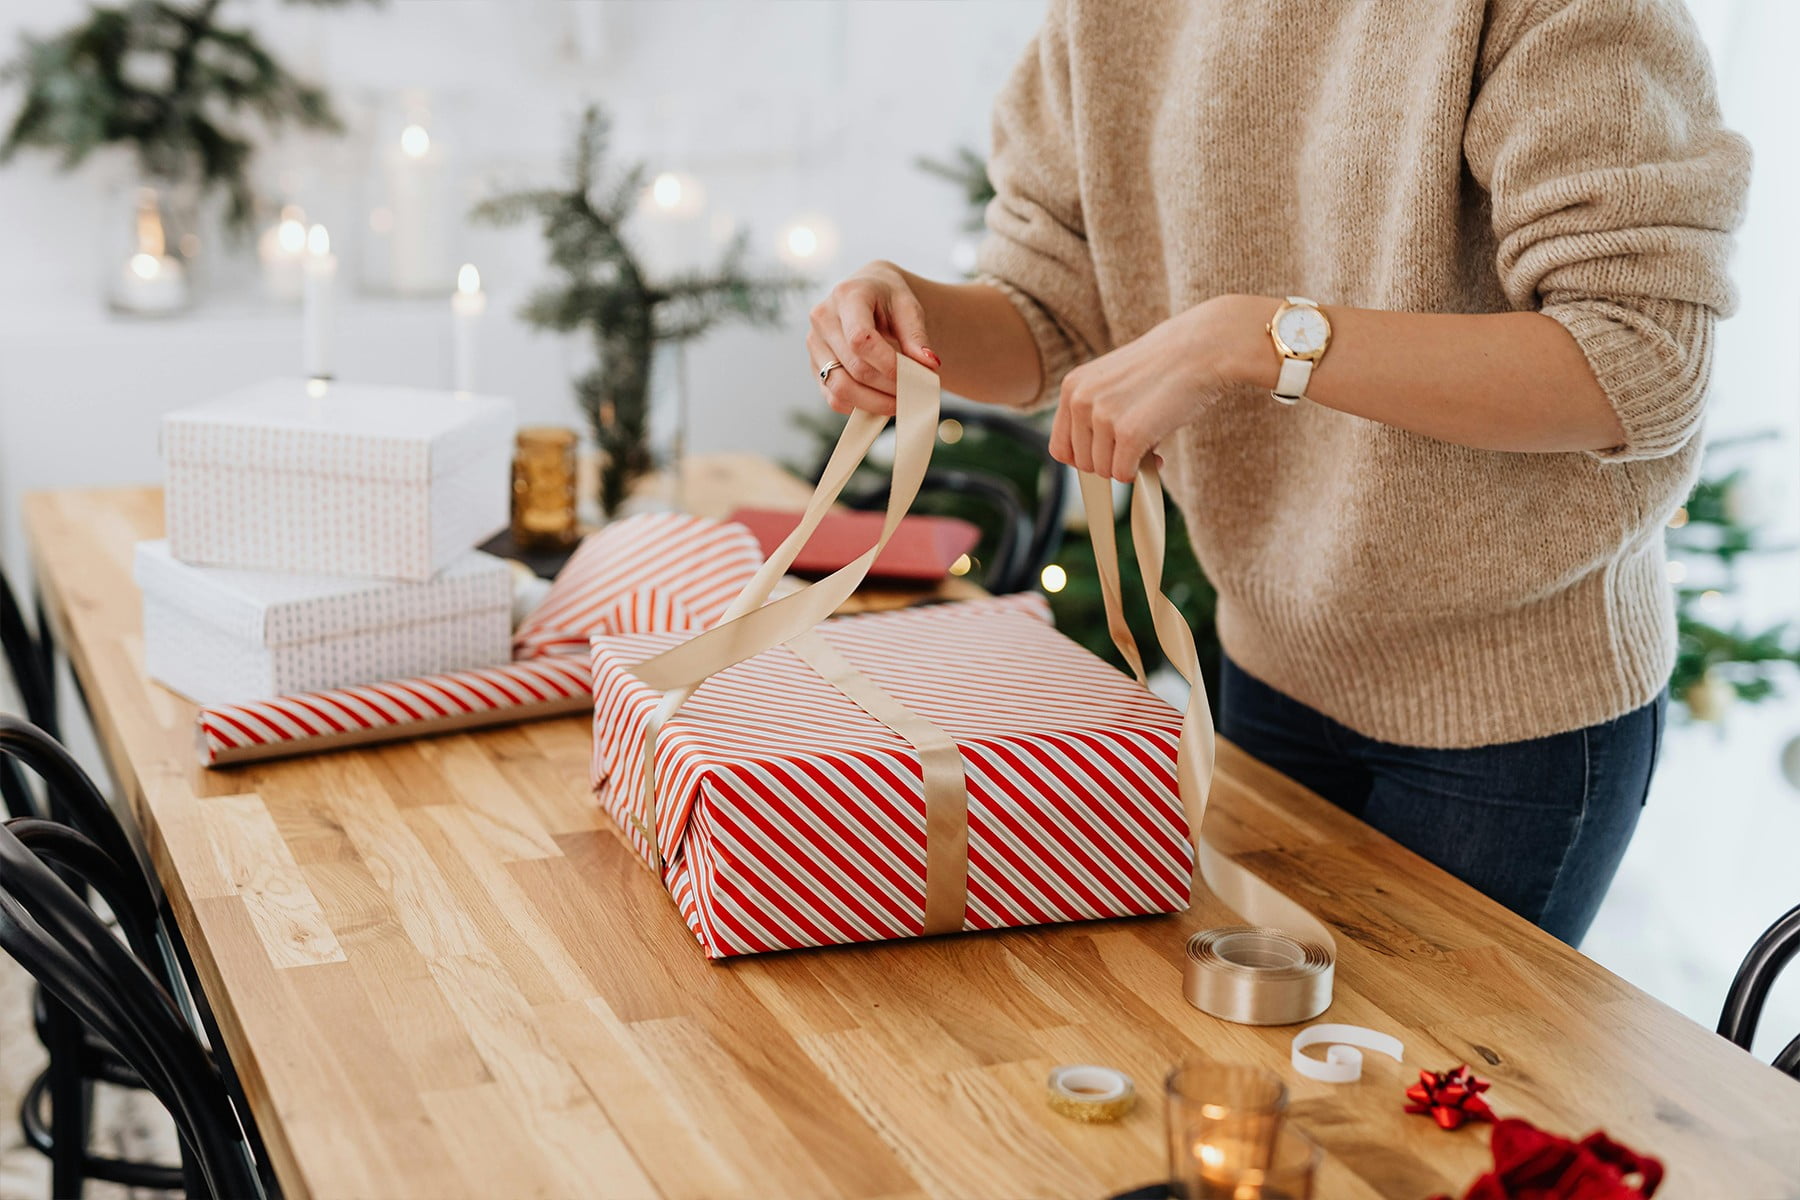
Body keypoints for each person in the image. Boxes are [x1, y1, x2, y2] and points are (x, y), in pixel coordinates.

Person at [805, 0, 1750, 946]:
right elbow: (1048, 305)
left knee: (1413, 1083)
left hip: (1515, 724)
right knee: (1266, 1070)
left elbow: (1639, 360)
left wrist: (1251, 339)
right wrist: (912, 322)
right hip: (1265, 663)